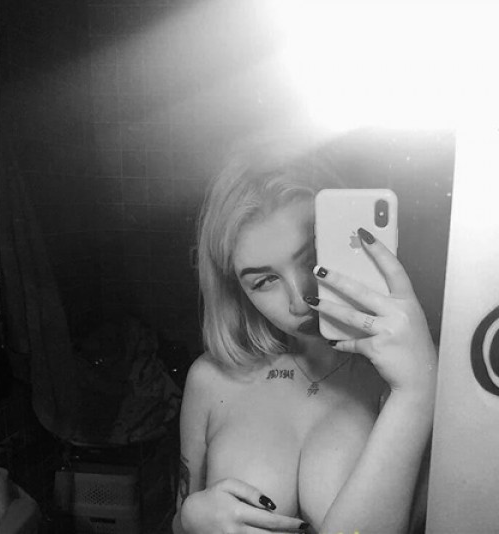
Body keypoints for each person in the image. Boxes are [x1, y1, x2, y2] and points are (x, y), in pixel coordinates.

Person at [172, 136, 437, 534]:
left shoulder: (416, 376)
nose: (300, 300)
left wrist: (415, 392)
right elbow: (178, 522)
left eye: (311, 260)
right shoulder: (210, 380)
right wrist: (189, 518)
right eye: (264, 281)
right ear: (237, 292)